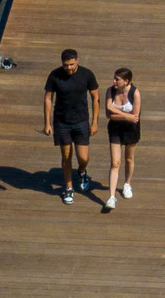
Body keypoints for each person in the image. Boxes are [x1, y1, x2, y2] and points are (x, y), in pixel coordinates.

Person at [43, 48, 100, 203]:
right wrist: (47, 123)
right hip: (62, 122)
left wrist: (94, 122)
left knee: (83, 158)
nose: (68, 68)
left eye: (71, 64)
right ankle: (68, 188)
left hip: (81, 121)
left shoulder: (87, 75)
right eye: (65, 65)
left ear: (78, 61)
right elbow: (48, 98)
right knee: (66, 157)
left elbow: (95, 97)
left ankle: (82, 172)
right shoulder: (54, 75)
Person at [103, 68, 141, 211]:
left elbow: (135, 118)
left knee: (129, 158)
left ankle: (127, 183)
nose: (114, 81)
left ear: (126, 81)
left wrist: (115, 110)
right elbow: (108, 114)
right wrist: (125, 116)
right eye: (114, 78)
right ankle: (112, 196)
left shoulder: (135, 93)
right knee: (115, 162)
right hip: (115, 129)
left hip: (131, 130)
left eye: (117, 79)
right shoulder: (110, 91)